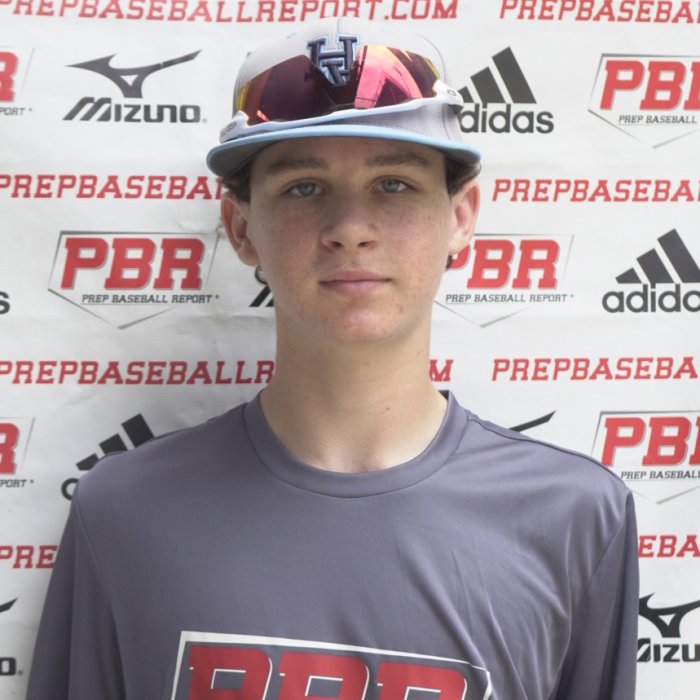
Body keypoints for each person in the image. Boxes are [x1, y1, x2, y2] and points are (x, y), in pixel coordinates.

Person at [27, 17, 639, 700]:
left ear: (461, 218)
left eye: (394, 184)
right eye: (304, 187)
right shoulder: (125, 510)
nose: (350, 231)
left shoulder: (575, 517)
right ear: (241, 227)